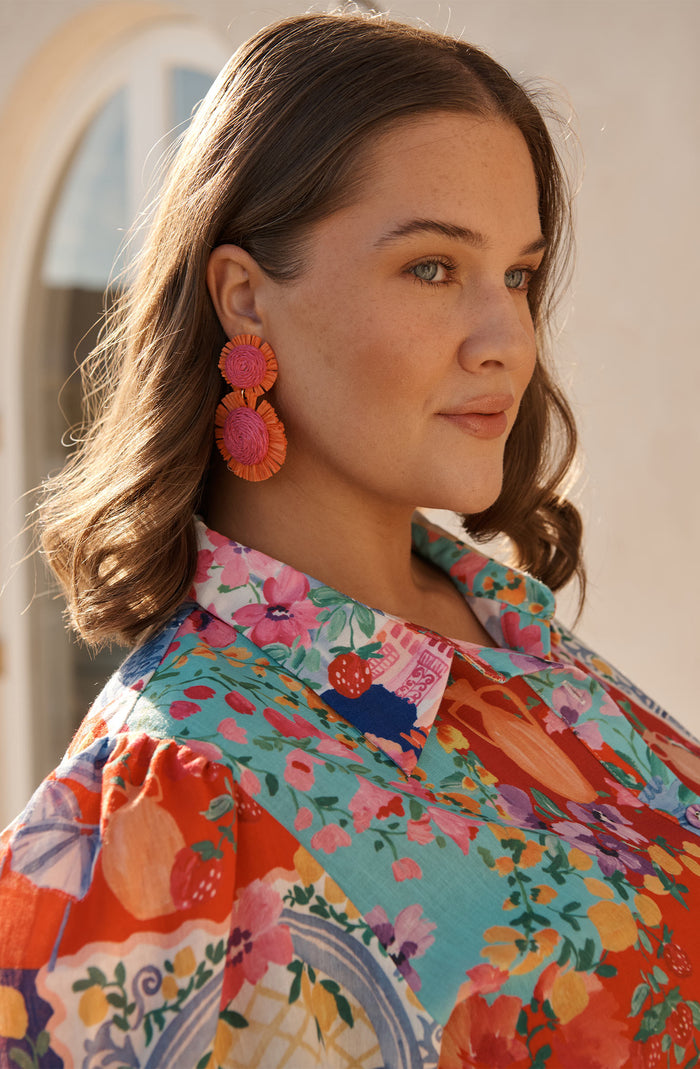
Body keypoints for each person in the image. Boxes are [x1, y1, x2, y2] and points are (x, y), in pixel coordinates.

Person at [1, 12, 699, 1068]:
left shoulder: (511, 640)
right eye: (432, 268)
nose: (506, 340)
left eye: (516, 275)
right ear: (245, 299)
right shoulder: (165, 810)